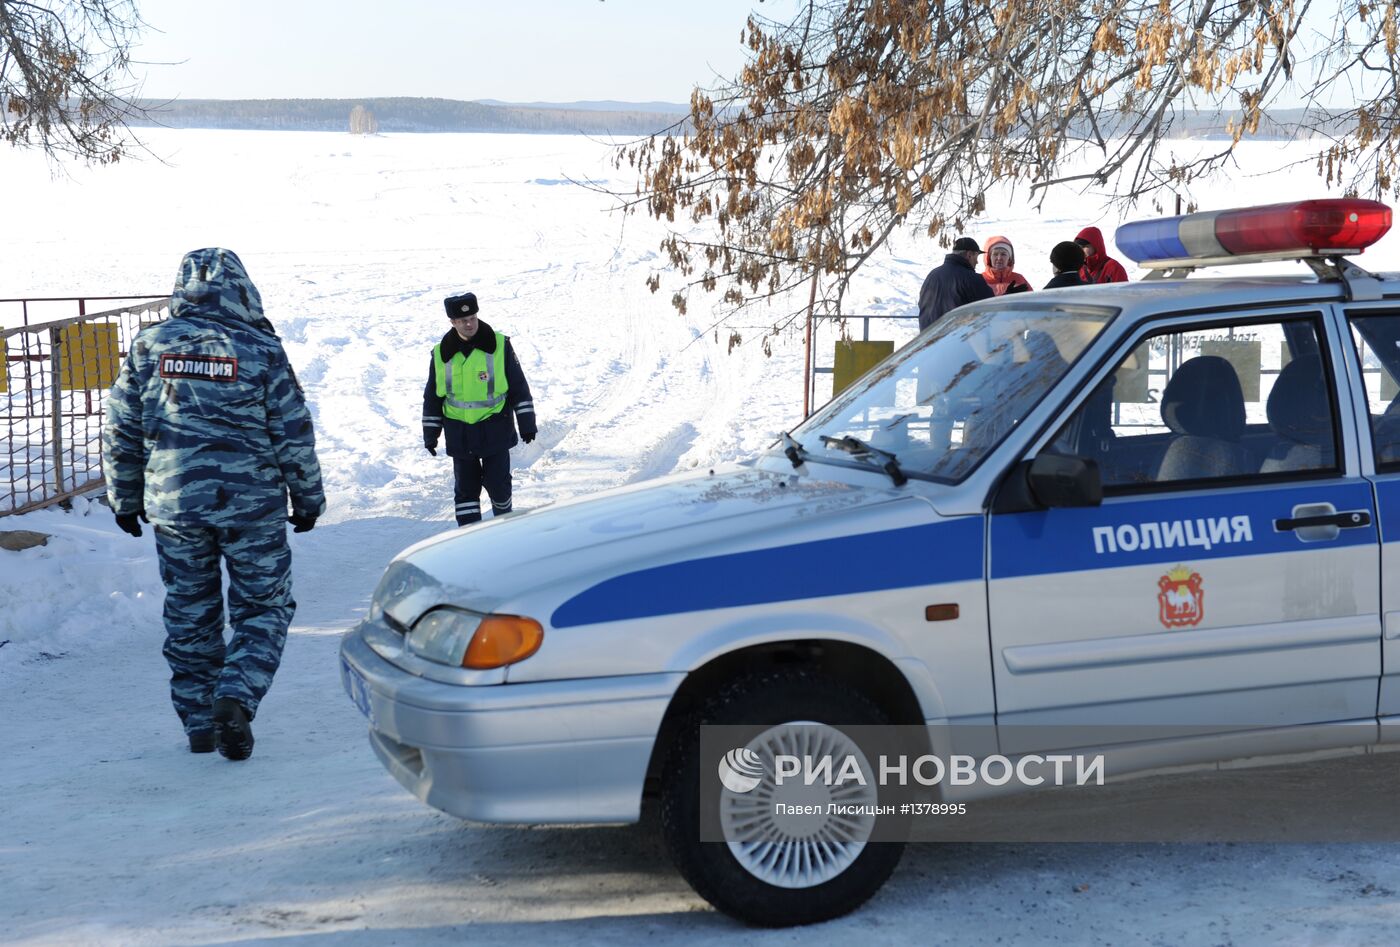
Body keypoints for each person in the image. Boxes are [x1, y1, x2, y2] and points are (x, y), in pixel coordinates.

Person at [102, 248, 325, 761]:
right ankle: (235, 697)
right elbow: (292, 430)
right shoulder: (259, 347)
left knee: (190, 612)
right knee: (263, 606)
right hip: (252, 506)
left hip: (176, 504)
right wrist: (307, 497)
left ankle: (200, 723)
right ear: (242, 287)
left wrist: (124, 496)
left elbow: (122, 427)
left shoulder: (149, 345)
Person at [423, 292, 536, 526]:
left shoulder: (499, 345)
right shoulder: (440, 354)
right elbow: (433, 397)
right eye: (463, 320)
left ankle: (503, 528)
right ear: (452, 322)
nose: (469, 323)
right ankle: (469, 540)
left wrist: (527, 423)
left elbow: (518, 387)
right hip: (460, 434)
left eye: (472, 317)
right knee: (466, 493)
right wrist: (431, 434)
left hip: (495, 429)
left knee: (499, 486)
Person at [917, 236, 995, 331]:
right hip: (956, 342)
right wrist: (1007, 296)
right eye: (976, 256)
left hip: (929, 341)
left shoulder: (932, 275)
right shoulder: (972, 279)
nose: (977, 262)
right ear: (969, 255)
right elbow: (991, 310)